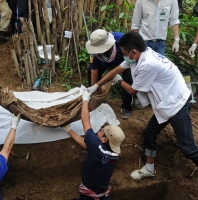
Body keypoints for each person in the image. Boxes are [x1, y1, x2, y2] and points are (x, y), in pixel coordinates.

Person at [87, 31, 198, 180]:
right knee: (149, 134)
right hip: (165, 103)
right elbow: (117, 70)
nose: (124, 56)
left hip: (177, 104)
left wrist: (119, 81)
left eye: (125, 53)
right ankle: (149, 169)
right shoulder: (138, 56)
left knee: (188, 149)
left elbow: (133, 90)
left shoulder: (147, 64)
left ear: (132, 52)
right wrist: (96, 86)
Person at [62, 90, 125, 199]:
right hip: (104, 196)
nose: (100, 129)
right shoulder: (114, 154)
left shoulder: (97, 147)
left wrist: (85, 99)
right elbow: (87, 145)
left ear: (104, 139)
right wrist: (68, 130)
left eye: (102, 130)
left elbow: (85, 119)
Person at [86, 29, 142, 119]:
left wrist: (118, 77)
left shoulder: (122, 40)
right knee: (90, 70)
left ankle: (127, 106)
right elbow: (94, 72)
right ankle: (95, 97)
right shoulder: (94, 53)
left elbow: (133, 56)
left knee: (129, 77)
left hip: (125, 62)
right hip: (104, 63)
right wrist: (95, 87)